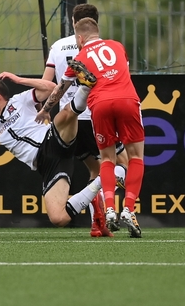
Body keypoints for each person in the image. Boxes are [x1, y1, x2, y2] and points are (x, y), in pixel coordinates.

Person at [0, 69, 106, 231]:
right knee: (58, 218)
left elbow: (51, 88)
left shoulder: (20, 100)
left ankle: (84, 87)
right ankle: (102, 181)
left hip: (51, 141)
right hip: (48, 165)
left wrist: (19, 80)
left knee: (64, 116)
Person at [42, 3, 128, 237]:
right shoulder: (108, 48)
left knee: (95, 168)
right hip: (96, 114)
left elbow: (49, 84)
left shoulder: (58, 46)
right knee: (122, 164)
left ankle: (96, 223)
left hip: (70, 121)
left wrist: (45, 109)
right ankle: (91, 207)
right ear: (96, 23)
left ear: (73, 22)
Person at [58, 18, 145, 238]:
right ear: (98, 32)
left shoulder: (79, 57)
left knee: (106, 160)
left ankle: (109, 210)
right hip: (127, 100)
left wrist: (45, 109)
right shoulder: (117, 46)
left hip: (99, 104)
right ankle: (129, 210)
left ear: (80, 38)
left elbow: (61, 88)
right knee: (135, 158)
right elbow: (123, 73)